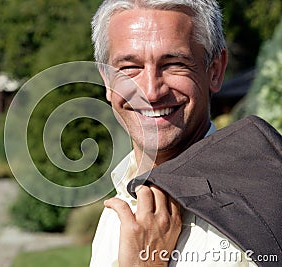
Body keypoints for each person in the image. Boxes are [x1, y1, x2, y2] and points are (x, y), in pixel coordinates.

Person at [90, 0, 258, 266]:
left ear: (215, 71)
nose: (151, 91)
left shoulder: (255, 213)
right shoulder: (119, 202)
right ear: (108, 82)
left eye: (174, 63)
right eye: (129, 67)